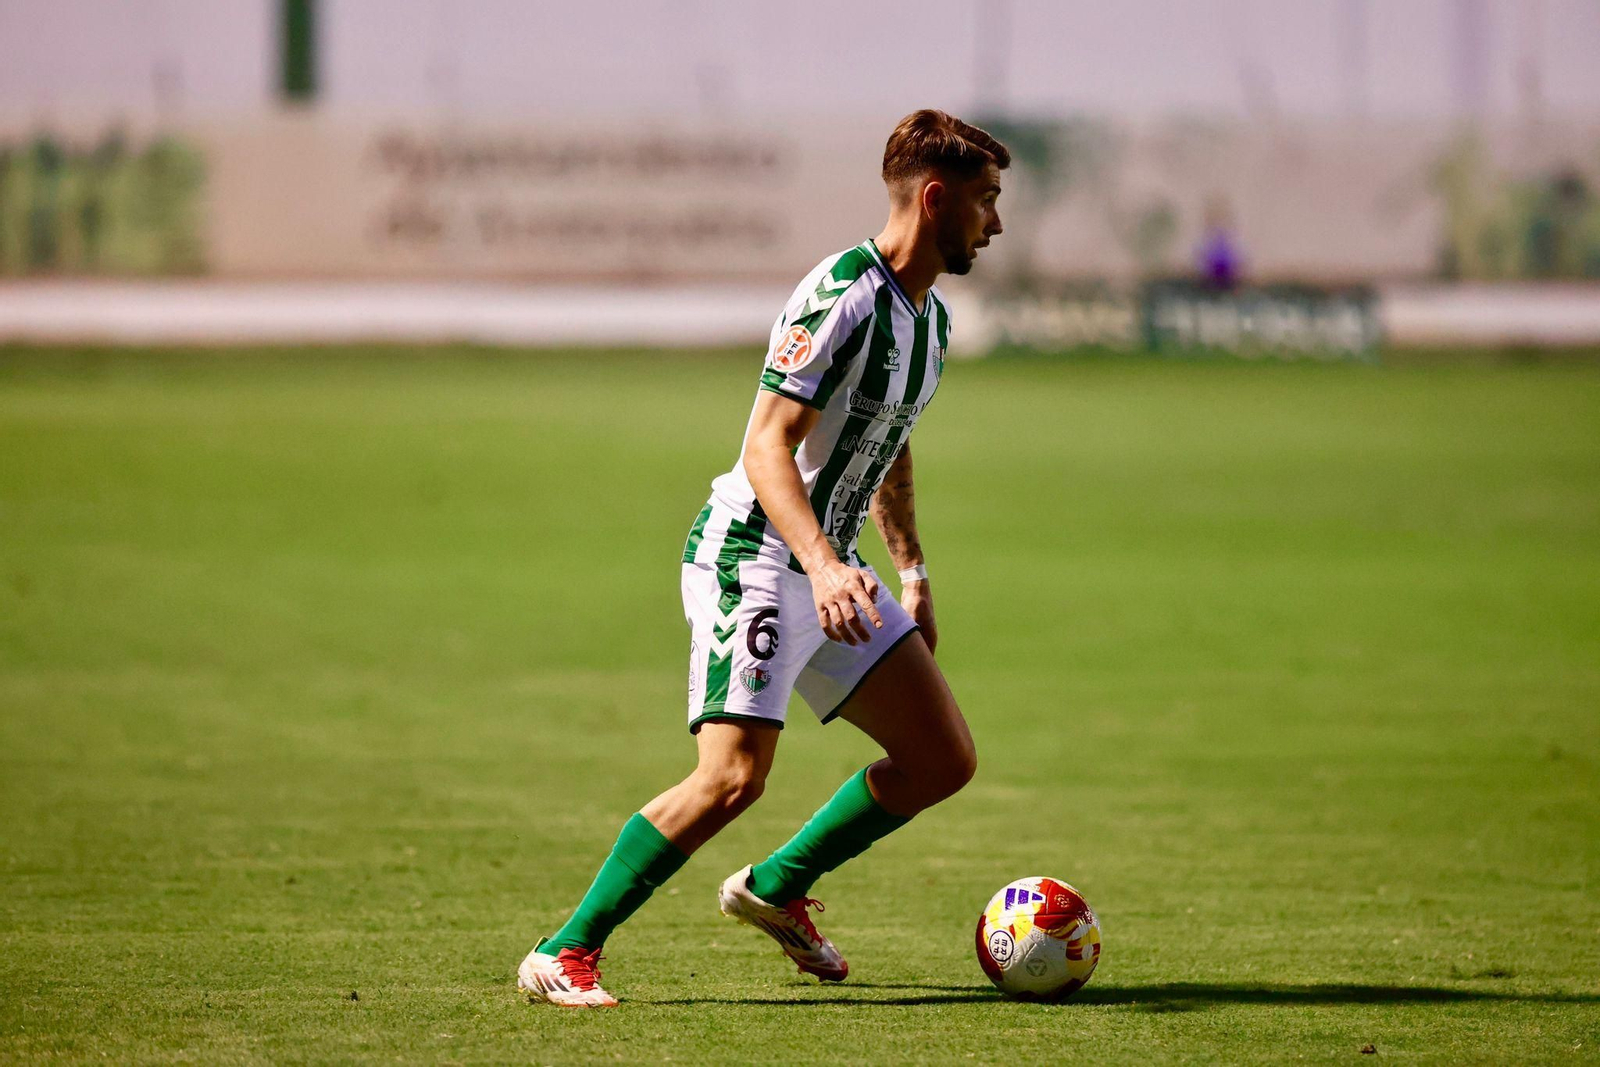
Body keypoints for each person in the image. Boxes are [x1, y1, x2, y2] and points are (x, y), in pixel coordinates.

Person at [517, 109, 1008, 1007]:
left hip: (834, 565)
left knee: (941, 758)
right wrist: (823, 566)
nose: (996, 224)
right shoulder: (844, 293)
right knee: (733, 776)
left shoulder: (930, 323)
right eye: (986, 201)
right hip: (756, 554)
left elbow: (889, 443)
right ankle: (563, 948)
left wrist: (913, 573)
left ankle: (774, 888)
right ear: (935, 199)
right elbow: (766, 446)